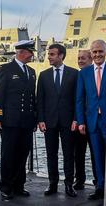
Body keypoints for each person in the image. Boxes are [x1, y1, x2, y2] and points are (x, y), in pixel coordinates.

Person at [76, 40, 106, 205]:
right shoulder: (84, 73)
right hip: (92, 122)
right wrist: (81, 121)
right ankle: (100, 187)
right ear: (91, 53)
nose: (97, 54)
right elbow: (80, 100)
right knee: (97, 156)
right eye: (94, 52)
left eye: (100, 51)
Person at [0, 39, 37, 200]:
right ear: (22, 52)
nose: (32, 55)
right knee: (9, 154)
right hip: (10, 121)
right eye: (31, 52)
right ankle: (6, 186)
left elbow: (32, 97)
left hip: (26, 122)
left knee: (22, 154)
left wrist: (35, 119)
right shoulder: (6, 69)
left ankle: (19, 185)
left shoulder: (31, 72)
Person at [37, 44, 79, 197]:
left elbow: (78, 99)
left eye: (52, 54)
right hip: (49, 122)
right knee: (51, 154)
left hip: (69, 122)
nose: (49, 57)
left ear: (61, 55)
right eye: (49, 54)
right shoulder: (44, 75)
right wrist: (40, 119)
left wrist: (76, 118)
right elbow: (40, 100)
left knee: (69, 155)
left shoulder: (74, 74)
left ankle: (69, 185)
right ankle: (52, 184)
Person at [73, 49, 96, 190]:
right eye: (79, 58)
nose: (80, 60)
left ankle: (98, 180)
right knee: (78, 154)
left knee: (96, 153)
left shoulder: (96, 74)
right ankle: (79, 179)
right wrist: (76, 119)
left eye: (83, 58)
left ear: (91, 59)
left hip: (94, 121)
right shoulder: (76, 75)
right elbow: (75, 100)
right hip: (79, 121)